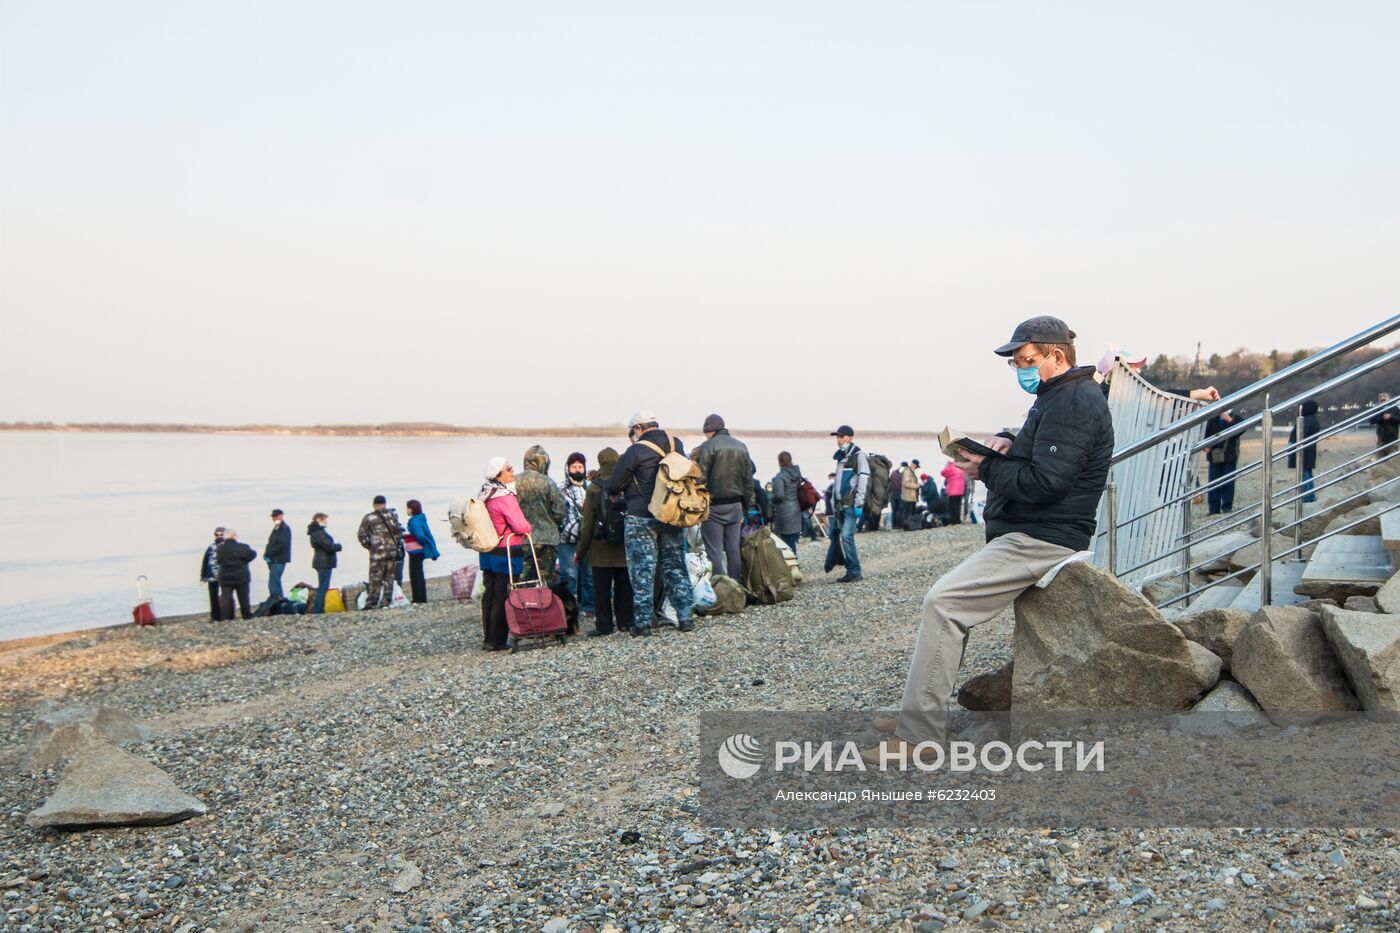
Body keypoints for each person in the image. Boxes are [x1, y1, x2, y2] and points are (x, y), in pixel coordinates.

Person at [864, 315, 1113, 764]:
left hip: (1041, 537)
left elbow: (1046, 483)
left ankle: (919, 737)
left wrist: (986, 469)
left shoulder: (1074, 401)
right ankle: (916, 718)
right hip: (1034, 531)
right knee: (944, 605)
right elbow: (1044, 452)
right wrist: (1003, 441)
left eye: (1026, 360)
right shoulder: (1060, 396)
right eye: (1016, 362)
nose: (1020, 368)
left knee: (943, 603)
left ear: (1056, 355)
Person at [606, 410, 696, 636]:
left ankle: (643, 624)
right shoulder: (676, 444)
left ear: (638, 429)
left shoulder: (635, 451)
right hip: (672, 514)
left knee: (642, 571)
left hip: (641, 517)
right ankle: (685, 618)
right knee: (675, 566)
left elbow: (614, 485)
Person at [576, 447, 633, 636]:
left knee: (601, 590)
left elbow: (587, 524)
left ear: (600, 462)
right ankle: (625, 622)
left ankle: (604, 626)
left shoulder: (594, 487)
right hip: (624, 545)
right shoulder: (627, 482)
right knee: (624, 586)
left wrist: (581, 552)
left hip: (600, 547)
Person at [691, 414, 756, 579]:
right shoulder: (741, 446)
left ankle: (721, 591)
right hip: (736, 506)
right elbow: (748, 481)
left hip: (713, 506)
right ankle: (736, 586)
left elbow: (700, 478)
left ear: (710, 431)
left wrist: (697, 506)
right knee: (733, 548)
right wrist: (745, 509)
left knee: (715, 551)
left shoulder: (708, 446)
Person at [478, 457, 532, 650]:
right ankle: (497, 639)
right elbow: (520, 525)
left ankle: (488, 638)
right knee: (503, 594)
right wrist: (528, 527)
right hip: (506, 550)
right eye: (508, 469)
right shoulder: (505, 497)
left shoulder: (484, 494)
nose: (512, 472)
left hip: (488, 550)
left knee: (490, 592)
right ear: (499, 475)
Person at [515, 445, 567, 587]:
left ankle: (521, 607)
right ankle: (542, 607)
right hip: (547, 539)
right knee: (544, 581)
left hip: (522, 539)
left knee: (521, 579)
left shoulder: (513, 482)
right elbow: (561, 512)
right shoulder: (548, 482)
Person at [823, 425, 870, 583]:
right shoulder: (841, 457)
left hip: (851, 505)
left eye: (842, 437)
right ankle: (851, 571)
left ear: (850, 437)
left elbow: (863, 478)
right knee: (843, 537)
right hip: (840, 505)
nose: (838, 440)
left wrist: (859, 503)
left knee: (846, 536)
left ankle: (855, 571)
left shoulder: (859, 455)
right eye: (837, 437)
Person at [556, 452, 595, 626]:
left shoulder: (590, 487)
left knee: (588, 574)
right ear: (568, 468)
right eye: (574, 467)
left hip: (587, 539)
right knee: (568, 575)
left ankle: (589, 607)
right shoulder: (560, 488)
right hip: (566, 539)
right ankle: (567, 608)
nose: (577, 470)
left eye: (580, 467)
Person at [1097, 350, 1221, 402]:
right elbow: (1160, 397)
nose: (1136, 371)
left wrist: (1199, 393)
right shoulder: (1111, 398)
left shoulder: (1112, 394)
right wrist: (1198, 394)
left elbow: (1159, 396)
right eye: (1131, 366)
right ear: (1118, 370)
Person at [357, 495, 404, 610]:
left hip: (377, 553)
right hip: (392, 552)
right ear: (385, 503)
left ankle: (372, 602)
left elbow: (361, 535)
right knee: (389, 577)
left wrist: (370, 546)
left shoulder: (369, 518)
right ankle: (386, 602)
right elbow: (399, 532)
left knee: (375, 578)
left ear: (374, 504)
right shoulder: (392, 516)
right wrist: (393, 545)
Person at [1203, 409, 1241, 515]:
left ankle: (1227, 507)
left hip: (1230, 457)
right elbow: (1207, 435)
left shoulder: (1236, 418)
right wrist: (1205, 446)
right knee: (1213, 483)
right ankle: (1213, 509)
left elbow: (1240, 431)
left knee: (1228, 483)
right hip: (1214, 457)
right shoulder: (1213, 419)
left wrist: (1229, 419)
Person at [216, 528, 257, 620]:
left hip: (225, 576)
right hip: (241, 575)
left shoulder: (220, 548)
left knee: (226, 598)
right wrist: (244, 561)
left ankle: (226, 617)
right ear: (234, 535)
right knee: (243, 597)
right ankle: (246, 615)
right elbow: (252, 554)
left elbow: (219, 560)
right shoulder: (242, 547)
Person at [404, 499, 439, 604]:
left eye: (407, 508)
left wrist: (420, 542)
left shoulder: (414, 521)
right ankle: (421, 598)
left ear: (411, 509)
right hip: (419, 550)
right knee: (419, 573)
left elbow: (419, 535)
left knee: (415, 574)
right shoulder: (421, 519)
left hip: (416, 550)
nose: (406, 510)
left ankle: (418, 598)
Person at [1287, 399, 1322, 504]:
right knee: (1307, 473)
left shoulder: (1305, 420)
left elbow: (1301, 435)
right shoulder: (1313, 419)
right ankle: (1309, 495)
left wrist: (1293, 446)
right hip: (1309, 451)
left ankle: (1307, 497)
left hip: (1303, 451)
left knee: (1304, 474)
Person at [770, 451, 805, 553]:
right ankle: (793, 564)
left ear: (779, 462)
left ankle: (792, 565)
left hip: (784, 512)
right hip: (795, 510)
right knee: (792, 540)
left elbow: (780, 496)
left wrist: (771, 498)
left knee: (786, 543)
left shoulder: (780, 477)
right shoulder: (796, 475)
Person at [307, 513, 342, 613]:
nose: (326, 522)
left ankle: (319, 608)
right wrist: (338, 546)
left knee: (323, 585)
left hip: (321, 562)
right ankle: (318, 609)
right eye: (325, 520)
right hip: (324, 562)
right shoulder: (318, 533)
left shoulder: (316, 532)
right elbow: (328, 546)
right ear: (319, 519)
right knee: (323, 586)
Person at [198, 527, 225, 620]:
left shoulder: (228, 546)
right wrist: (203, 575)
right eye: (217, 535)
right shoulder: (211, 547)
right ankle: (215, 616)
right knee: (213, 597)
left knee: (226, 595)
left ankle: (226, 614)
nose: (219, 536)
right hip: (212, 576)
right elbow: (205, 561)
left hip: (224, 575)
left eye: (221, 534)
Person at [264, 508, 291, 599]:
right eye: (273, 517)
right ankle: (278, 597)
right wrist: (266, 554)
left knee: (274, 579)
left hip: (279, 559)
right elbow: (271, 542)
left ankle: (276, 597)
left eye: (276, 516)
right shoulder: (276, 528)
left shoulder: (285, 528)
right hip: (273, 559)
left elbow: (282, 545)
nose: (274, 518)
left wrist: (269, 553)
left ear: (281, 516)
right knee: (274, 579)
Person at [940, 458, 966, 525]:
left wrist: (947, 465)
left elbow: (942, 472)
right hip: (960, 490)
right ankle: (958, 521)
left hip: (953, 491)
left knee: (952, 507)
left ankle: (954, 521)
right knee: (957, 506)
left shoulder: (951, 468)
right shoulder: (959, 468)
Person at [1372, 393, 1398, 457]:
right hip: (1381, 439)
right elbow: (1371, 420)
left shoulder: (1394, 408)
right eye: (1381, 400)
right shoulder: (1377, 409)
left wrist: (1391, 417)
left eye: (1384, 400)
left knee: (1393, 458)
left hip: (1393, 439)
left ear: (1389, 399)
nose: (1383, 402)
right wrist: (1382, 417)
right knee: (1380, 459)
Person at [901, 460, 922, 528]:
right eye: (916, 467)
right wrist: (916, 485)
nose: (916, 468)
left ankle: (911, 526)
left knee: (911, 513)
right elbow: (906, 483)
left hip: (912, 497)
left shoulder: (911, 472)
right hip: (908, 497)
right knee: (907, 513)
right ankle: (907, 527)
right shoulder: (907, 472)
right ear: (913, 465)